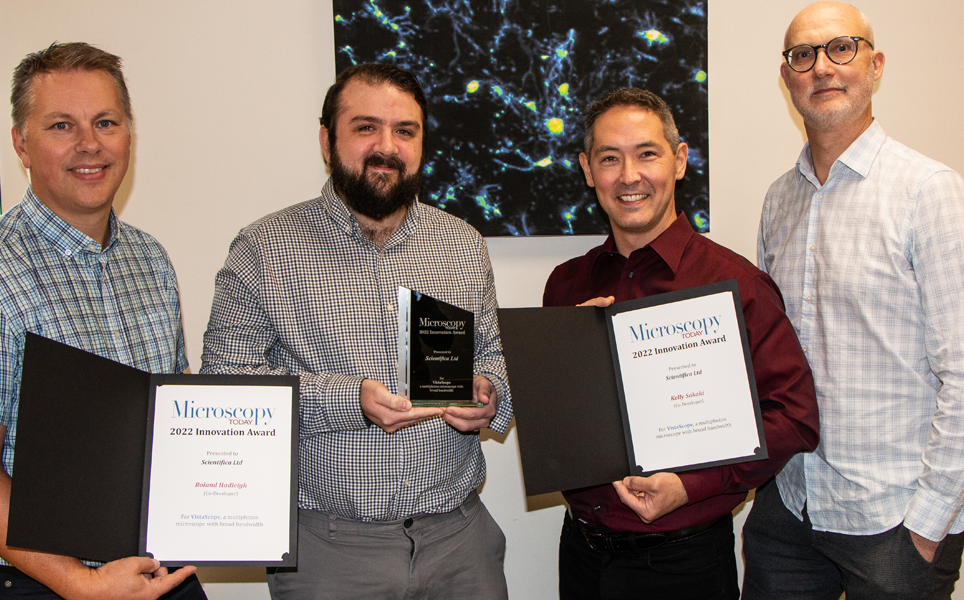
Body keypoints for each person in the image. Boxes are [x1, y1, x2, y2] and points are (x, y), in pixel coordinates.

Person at [200, 63, 512, 600]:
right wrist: (350, 400)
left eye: (405, 130)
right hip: (329, 552)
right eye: (366, 127)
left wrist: (489, 394)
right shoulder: (263, 249)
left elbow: (490, 354)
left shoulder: (462, 244)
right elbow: (225, 389)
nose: (386, 146)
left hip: (460, 543)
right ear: (327, 141)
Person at [542, 88, 819, 599]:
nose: (629, 176)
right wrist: (564, 360)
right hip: (581, 555)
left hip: (684, 565)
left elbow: (795, 416)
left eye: (647, 153)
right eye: (609, 158)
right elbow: (558, 421)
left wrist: (691, 486)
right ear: (587, 170)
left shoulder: (735, 284)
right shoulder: (566, 285)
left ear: (680, 160)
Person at [742, 2, 964, 598]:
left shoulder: (929, 192)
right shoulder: (778, 200)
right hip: (790, 507)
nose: (822, 67)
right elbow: (769, 354)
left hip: (894, 520)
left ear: (875, 64)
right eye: (803, 55)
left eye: (841, 48)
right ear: (786, 76)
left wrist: (928, 524)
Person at [0, 43, 204, 599]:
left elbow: (176, 412)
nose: (89, 144)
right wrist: (82, 584)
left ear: (128, 136)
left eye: (106, 122)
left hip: (159, 571)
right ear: (21, 143)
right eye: (61, 125)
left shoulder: (151, 259)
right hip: (45, 583)